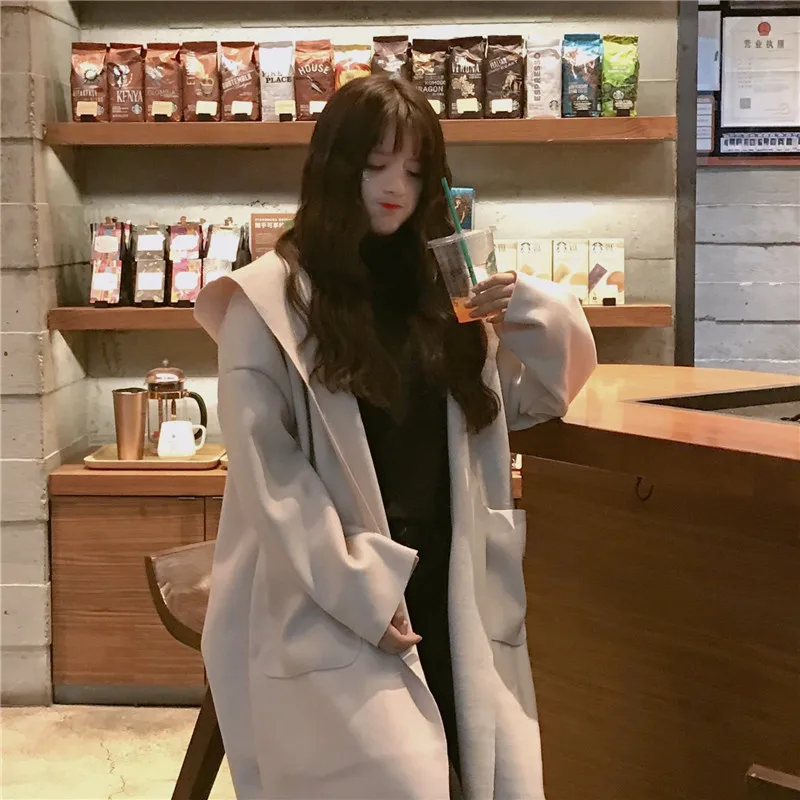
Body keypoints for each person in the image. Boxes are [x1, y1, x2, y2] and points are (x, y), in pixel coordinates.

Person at [194, 75, 597, 800]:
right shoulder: (270, 301)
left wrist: (534, 307)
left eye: (414, 171)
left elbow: (543, 395)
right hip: (335, 583)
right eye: (375, 165)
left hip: (450, 572)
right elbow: (271, 473)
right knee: (393, 775)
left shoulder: (445, 294)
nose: (394, 188)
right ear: (334, 167)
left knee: (479, 763)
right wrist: (359, 590)